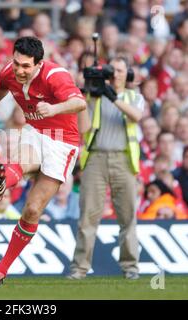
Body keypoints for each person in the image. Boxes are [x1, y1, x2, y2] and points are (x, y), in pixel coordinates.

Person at [0, 36, 87, 285]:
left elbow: (79, 102)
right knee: (24, 162)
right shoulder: (8, 72)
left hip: (63, 141)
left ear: (38, 64)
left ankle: (1, 269)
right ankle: (2, 181)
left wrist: (54, 109)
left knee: (33, 210)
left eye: (26, 66)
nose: (20, 70)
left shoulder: (56, 75)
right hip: (35, 130)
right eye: (17, 63)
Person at [69, 56, 144, 280]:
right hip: (95, 159)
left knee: (127, 216)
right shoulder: (94, 97)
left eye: (120, 70)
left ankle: (130, 267)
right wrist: (87, 97)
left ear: (127, 74)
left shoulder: (134, 96)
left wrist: (112, 97)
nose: (116, 74)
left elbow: (136, 116)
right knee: (88, 216)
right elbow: (84, 128)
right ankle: (79, 268)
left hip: (123, 159)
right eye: (112, 70)